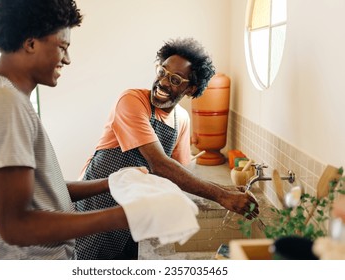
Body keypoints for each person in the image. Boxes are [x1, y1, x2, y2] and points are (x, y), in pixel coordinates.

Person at [0, 0, 132, 260]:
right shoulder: (2, 103)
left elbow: (42, 192)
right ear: (31, 43)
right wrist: (124, 217)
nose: (68, 59)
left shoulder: (5, 97)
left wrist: (112, 183)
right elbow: (15, 225)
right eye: (62, 47)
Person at [75, 37, 260, 260]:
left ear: (190, 89)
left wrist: (226, 189)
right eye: (162, 72)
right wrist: (221, 195)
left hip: (132, 216)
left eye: (174, 79)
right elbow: (160, 164)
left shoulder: (181, 120)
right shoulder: (132, 101)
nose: (163, 82)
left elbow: (177, 177)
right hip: (96, 206)